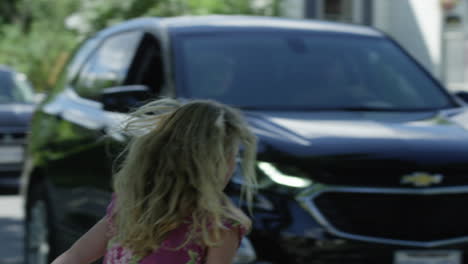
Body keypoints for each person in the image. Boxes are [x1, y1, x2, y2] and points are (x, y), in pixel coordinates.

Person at [51, 98, 258, 264]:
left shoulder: (132, 205)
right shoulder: (219, 224)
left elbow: (74, 257)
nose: (233, 165)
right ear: (209, 163)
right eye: (232, 156)